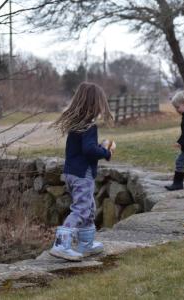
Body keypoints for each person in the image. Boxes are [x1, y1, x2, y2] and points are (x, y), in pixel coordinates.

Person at [49, 82, 114, 261]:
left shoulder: (76, 125)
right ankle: (61, 244)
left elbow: (84, 149)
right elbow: (90, 150)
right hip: (82, 174)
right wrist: (106, 151)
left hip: (72, 172)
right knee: (81, 208)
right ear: (95, 104)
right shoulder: (89, 126)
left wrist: (99, 148)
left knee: (89, 207)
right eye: (101, 103)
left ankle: (86, 244)